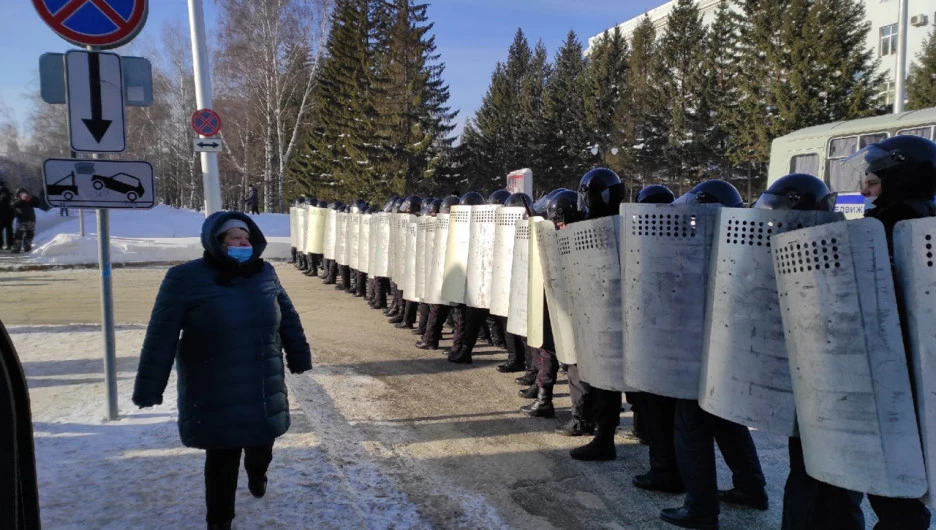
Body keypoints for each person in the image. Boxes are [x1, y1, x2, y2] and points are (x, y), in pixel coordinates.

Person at [780, 134, 936, 530]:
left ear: (900, 178)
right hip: (901, 375)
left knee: (846, 474)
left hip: (868, 369)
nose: (865, 189)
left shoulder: (889, 226)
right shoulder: (920, 222)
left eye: (873, 181)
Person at [132, 211, 312, 530]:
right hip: (214, 388)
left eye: (247, 238)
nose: (243, 243)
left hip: (261, 383)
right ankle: (220, 521)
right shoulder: (185, 279)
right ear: (216, 243)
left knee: (261, 445)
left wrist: (298, 356)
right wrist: (149, 387)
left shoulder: (265, 273)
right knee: (222, 460)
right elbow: (161, 335)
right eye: (235, 238)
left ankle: (258, 476)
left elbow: (289, 318)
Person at [661, 179, 767, 530]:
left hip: (701, 351)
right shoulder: (743, 239)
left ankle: (700, 508)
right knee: (727, 420)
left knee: (690, 427)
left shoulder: (699, 246)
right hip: (732, 351)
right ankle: (751, 488)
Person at [11, 189, 39, 254]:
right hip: (21, 220)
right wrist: (21, 199)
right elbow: (12, 205)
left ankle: (27, 246)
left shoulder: (29, 200)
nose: (23, 195)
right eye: (21, 194)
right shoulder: (15, 200)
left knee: (29, 233)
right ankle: (16, 247)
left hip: (31, 219)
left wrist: (33, 197)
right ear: (18, 194)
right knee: (18, 234)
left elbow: (37, 204)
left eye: (24, 193)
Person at [0, 182, 13, 250]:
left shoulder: (2, 192)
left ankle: (0, 245)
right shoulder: (8, 193)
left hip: (2, 214)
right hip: (9, 214)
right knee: (9, 230)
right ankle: (9, 245)